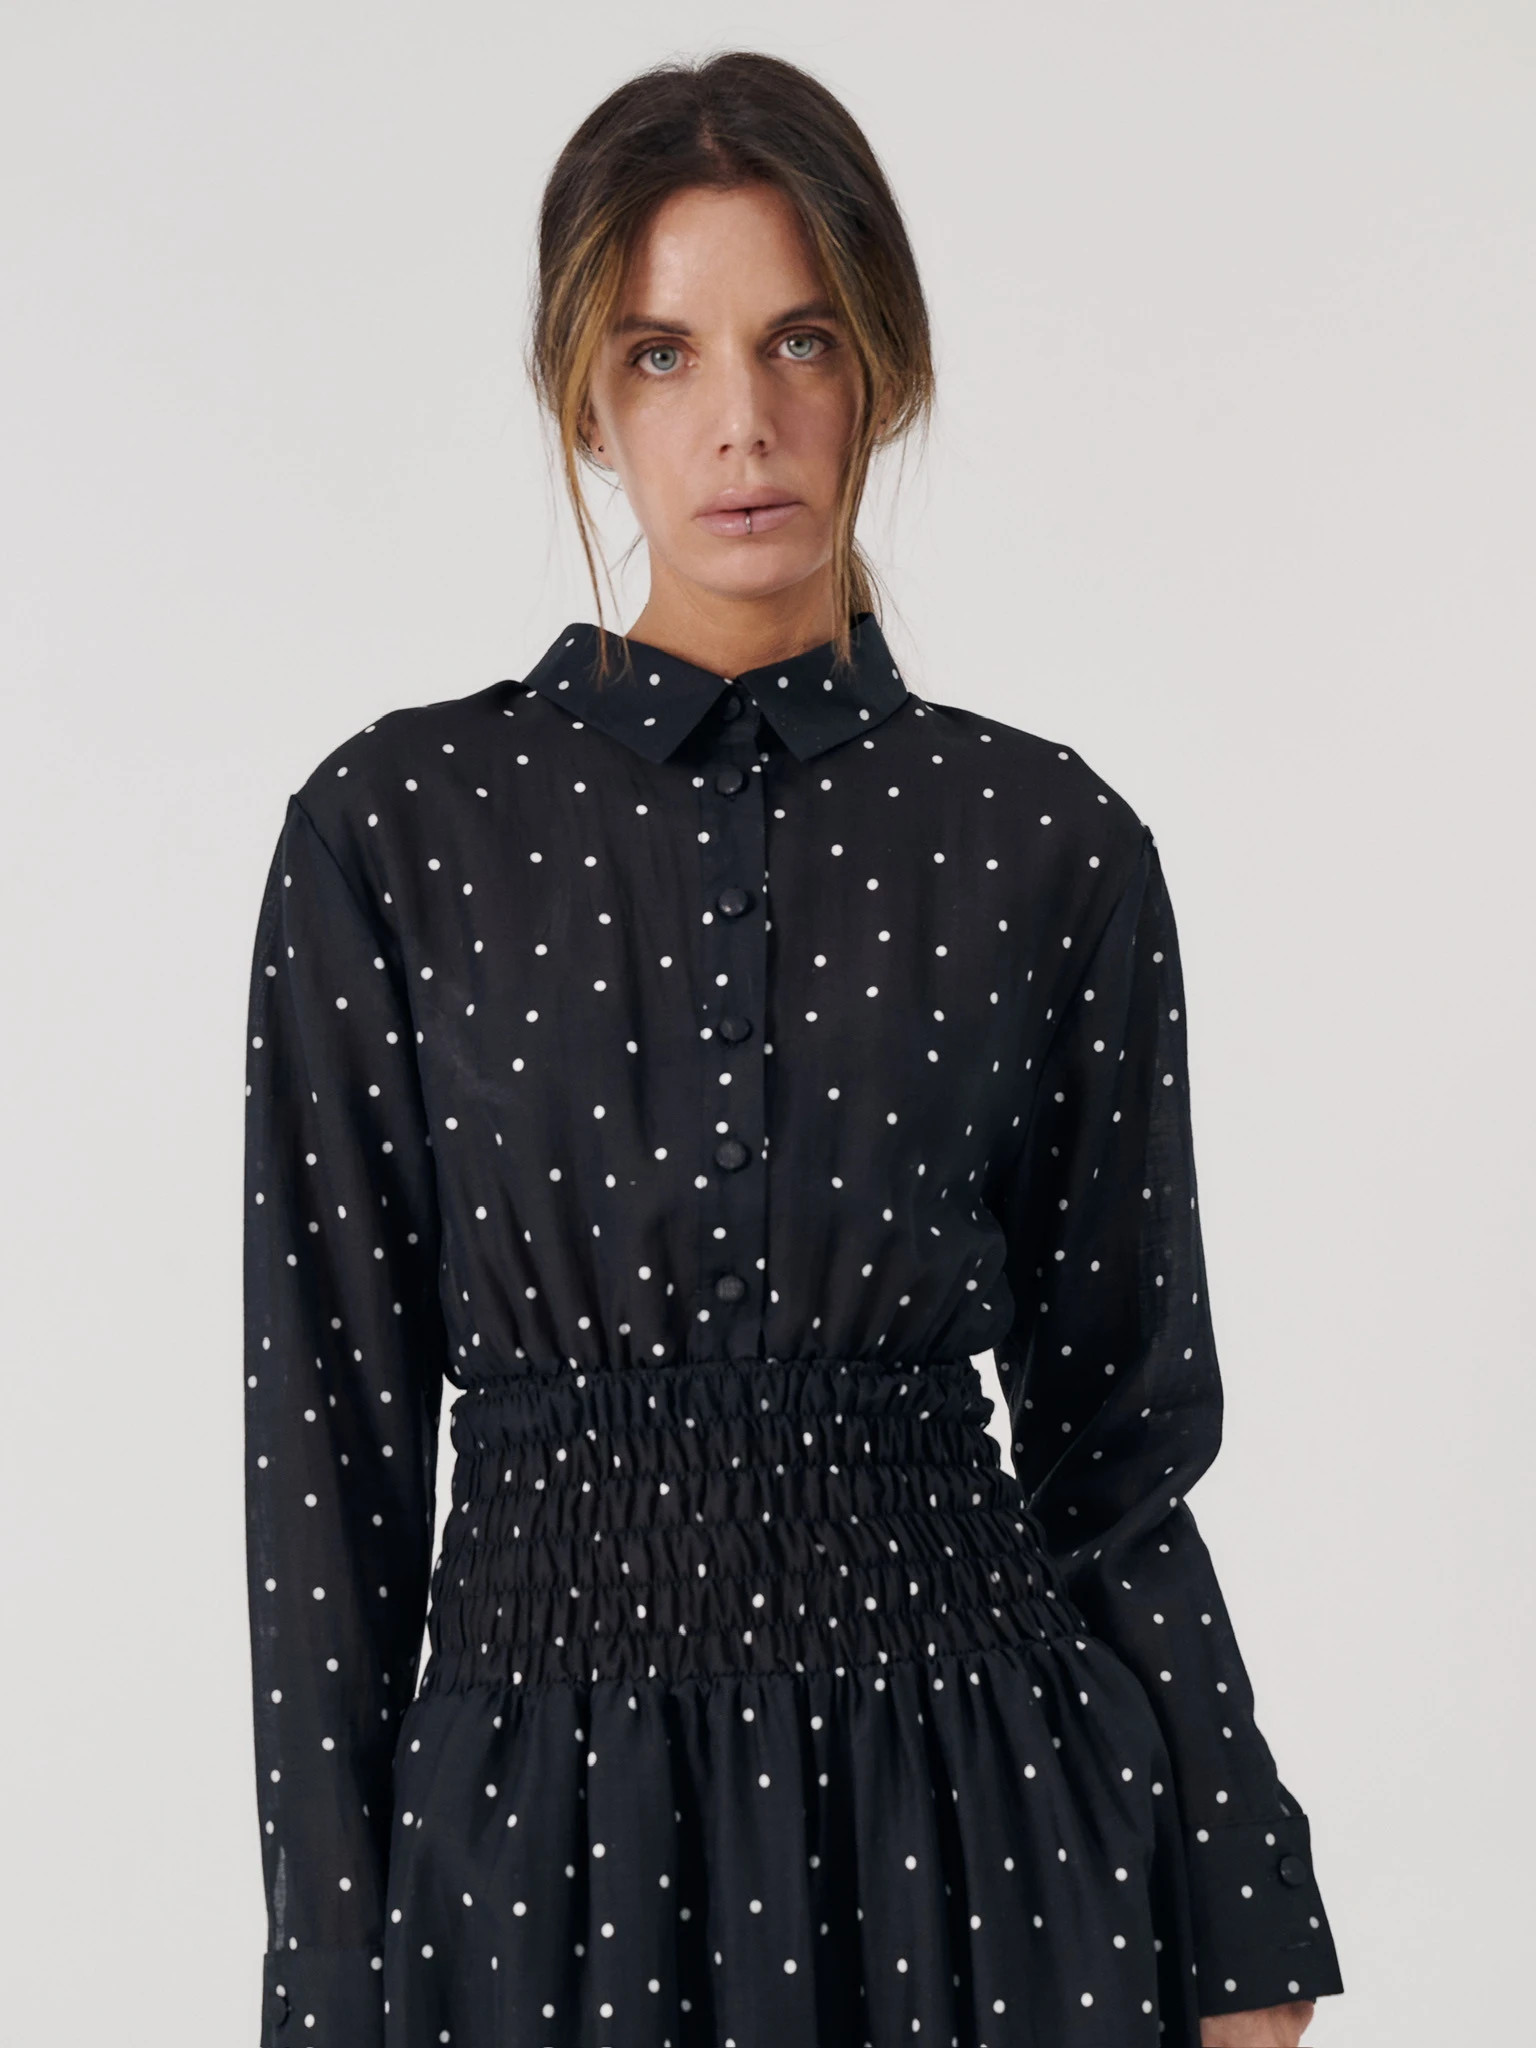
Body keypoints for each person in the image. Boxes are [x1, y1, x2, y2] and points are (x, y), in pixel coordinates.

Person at [242, 49, 1344, 2048]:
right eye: (662, 353)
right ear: (585, 399)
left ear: (885, 371)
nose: (741, 421)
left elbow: (1119, 1448)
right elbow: (324, 1459)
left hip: (983, 1831)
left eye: (801, 340)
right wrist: (328, 1971)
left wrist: (1243, 1918)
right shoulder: (395, 834)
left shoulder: (1049, 844)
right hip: (538, 1850)